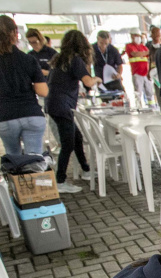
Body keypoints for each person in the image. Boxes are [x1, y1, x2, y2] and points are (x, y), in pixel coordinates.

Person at [0, 15, 48, 156]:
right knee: (35, 159)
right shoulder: (28, 59)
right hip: (31, 113)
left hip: (3, 114)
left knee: (13, 155)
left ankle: (17, 169)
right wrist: (27, 86)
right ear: (16, 32)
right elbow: (43, 92)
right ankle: (35, 169)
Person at [47, 30, 100, 194]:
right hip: (62, 106)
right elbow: (88, 82)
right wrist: (97, 79)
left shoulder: (59, 58)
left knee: (77, 138)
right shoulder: (75, 60)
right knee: (68, 143)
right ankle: (60, 180)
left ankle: (86, 169)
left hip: (54, 104)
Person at [125, 28, 155, 109]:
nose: (138, 37)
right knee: (138, 94)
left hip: (146, 73)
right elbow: (135, 54)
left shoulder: (143, 47)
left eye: (139, 36)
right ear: (131, 36)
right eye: (135, 35)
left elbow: (150, 55)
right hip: (137, 73)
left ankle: (152, 107)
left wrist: (144, 53)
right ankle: (139, 109)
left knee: (150, 92)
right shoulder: (129, 46)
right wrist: (146, 53)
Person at [147, 25, 161, 102]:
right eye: (154, 34)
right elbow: (149, 60)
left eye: (157, 34)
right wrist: (148, 71)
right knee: (158, 95)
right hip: (155, 76)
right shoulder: (149, 47)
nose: (156, 36)